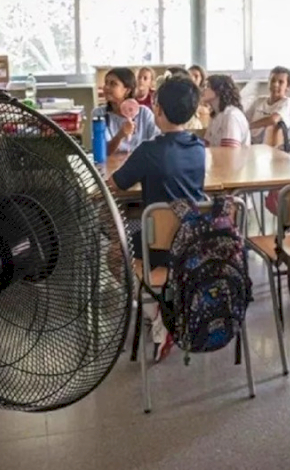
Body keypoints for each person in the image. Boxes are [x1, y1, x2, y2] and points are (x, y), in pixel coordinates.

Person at [107, 76, 206, 362]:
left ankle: (157, 311)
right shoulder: (198, 148)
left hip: (156, 242)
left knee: (114, 253)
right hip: (191, 240)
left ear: (158, 110)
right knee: (141, 228)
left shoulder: (149, 151)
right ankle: (165, 305)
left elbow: (117, 184)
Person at [92, 67, 159, 155]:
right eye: (106, 83)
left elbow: (157, 144)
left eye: (113, 84)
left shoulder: (144, 113)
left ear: (127, 90)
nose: (106, 87)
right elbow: (102, 152)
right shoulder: (99, 114)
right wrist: (120, 135)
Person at [247, 66, 290, 145]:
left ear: (288, 86)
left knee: (272, 127)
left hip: (271, 143)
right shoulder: (259, 100)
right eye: (272, 81)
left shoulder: (287, 102)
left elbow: (273, 119)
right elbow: (245, 118)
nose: (275, 85)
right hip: (250, 140)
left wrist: (249, 126)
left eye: (280, 82)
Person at [203, 74, 251, 148]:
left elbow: (229, 152)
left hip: (234, 159)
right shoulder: (216, 115)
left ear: (218, 90)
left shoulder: (231, 116)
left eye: (208, 86)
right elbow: (206, 146)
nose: (203, 89)